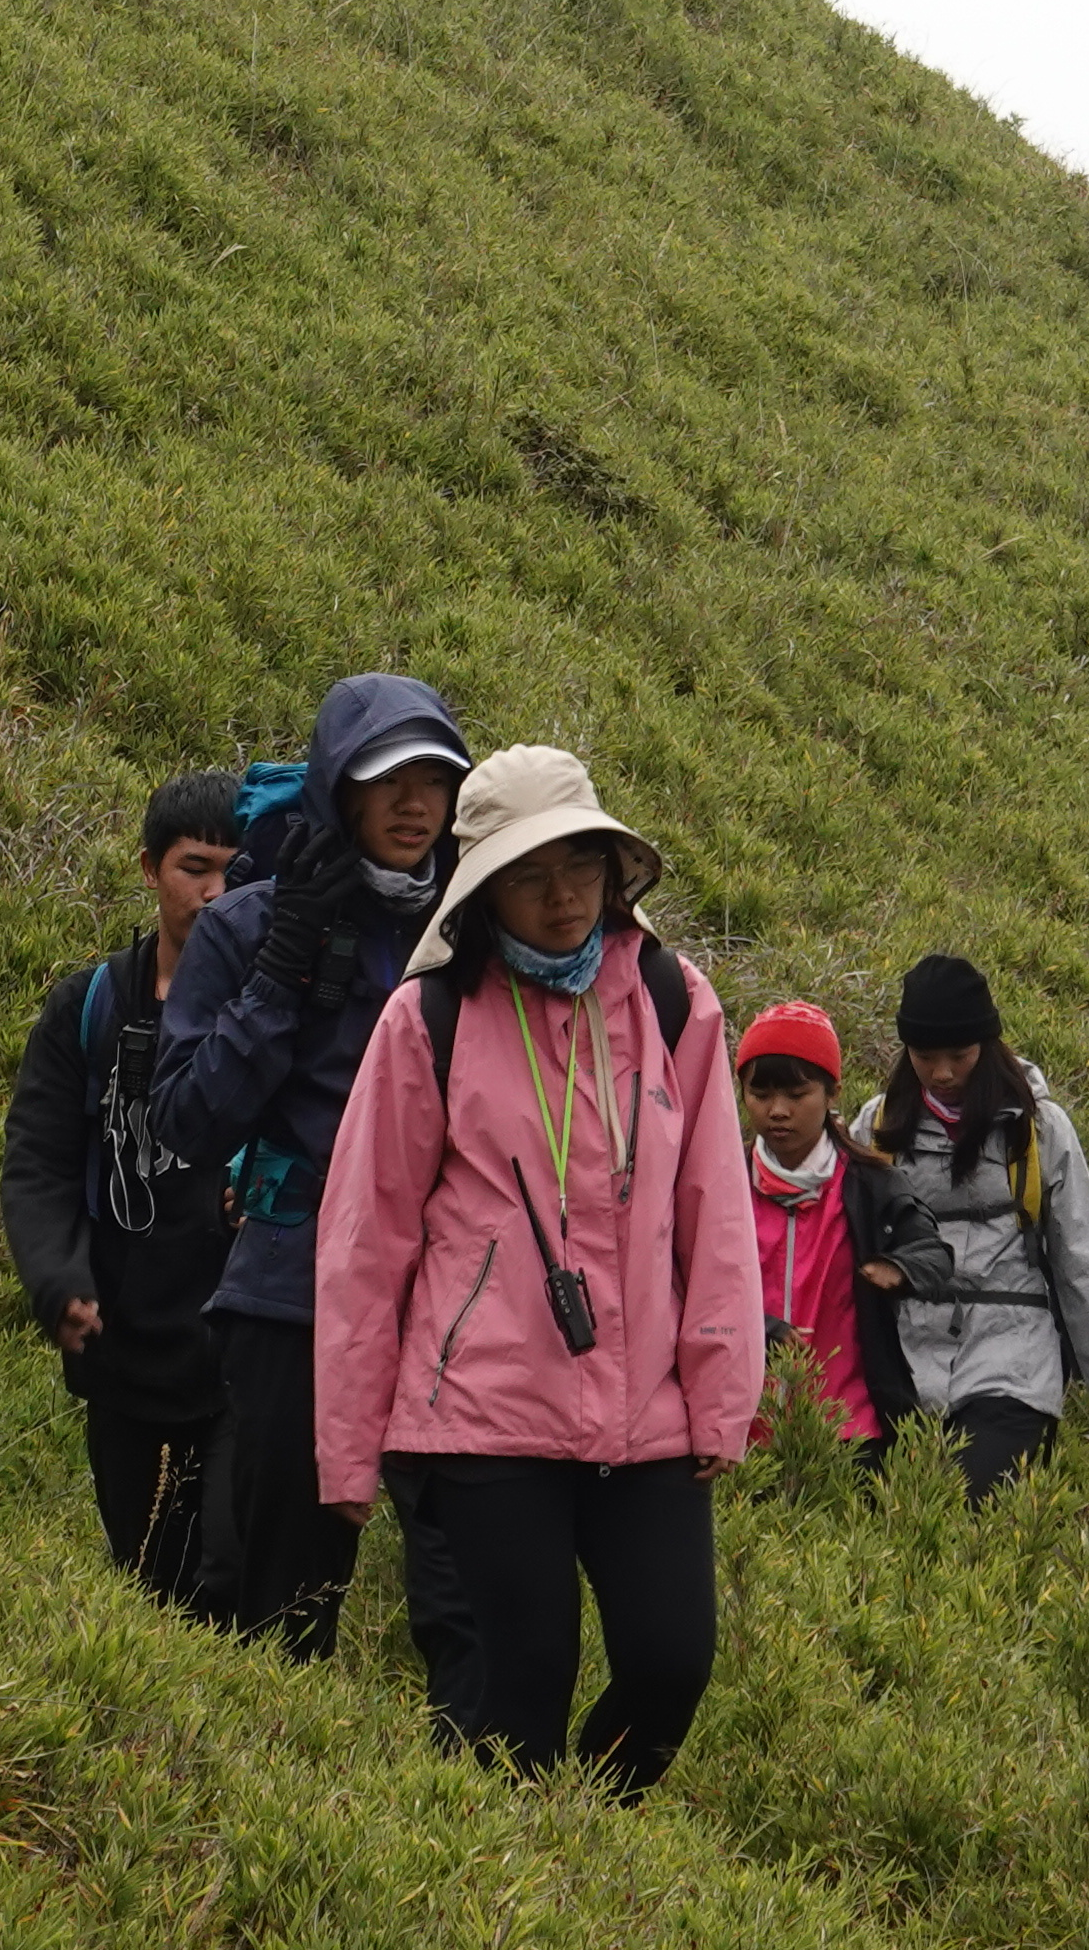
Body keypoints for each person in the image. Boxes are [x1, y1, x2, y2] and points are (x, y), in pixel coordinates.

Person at [315, 747, 758, 1798]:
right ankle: (511, 1895)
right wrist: (346, 1450)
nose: (563, 896)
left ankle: (581, 1838)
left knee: (669, 1666)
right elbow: (365, 1243)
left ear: (615, 867)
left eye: (582, 865)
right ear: (481, 889)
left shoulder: (667, 995)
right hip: (483, 1410)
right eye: (529, 874)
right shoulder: (426, 1020)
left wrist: (721, 1391)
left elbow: (714, 1209)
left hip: (646, 1403)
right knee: (518, 1693)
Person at [149, 674, 472, 1658]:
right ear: (339, 786)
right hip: (291, 1291)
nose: (415, 803)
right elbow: (187, 1119)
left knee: (462, 1577)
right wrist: (282, 981)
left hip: (450, 1293)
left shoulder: (473, 934)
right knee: (277, 1584)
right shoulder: (251, 927)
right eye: (388, 779)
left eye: (435, 778)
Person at [0, 768, 243, 1613]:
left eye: (234, 876)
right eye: (194, 868)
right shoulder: (91, 1007)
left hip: (236, 1355)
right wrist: (57, 1280)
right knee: (141, 1577)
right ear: (148, 869)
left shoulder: (268, 1019)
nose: (214, 895)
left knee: (224, 1574)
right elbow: (40, 1159)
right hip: (124, 1349)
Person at [853, 954, 1089, 1499]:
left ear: (988, 1046)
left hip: (1014, 1364)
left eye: (959, 1055)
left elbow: (1088, 1273)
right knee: (890, 1526)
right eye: (924, 1057)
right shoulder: (875, 1128)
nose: (942, 1073)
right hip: (902, 1367)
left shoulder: (1040, 1130)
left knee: (975, 1509)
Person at [736, 1001, 951, 1467]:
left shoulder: (871, 1184)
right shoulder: (720, 1183)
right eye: (760, 1094)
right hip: (740, 1437)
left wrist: (899, 1269)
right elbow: (685, 1281)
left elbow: (935, 1254)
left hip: (852, 1435)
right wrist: (761, 1329)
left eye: (796, 1094)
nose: (777, 1111)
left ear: (833, 1092)